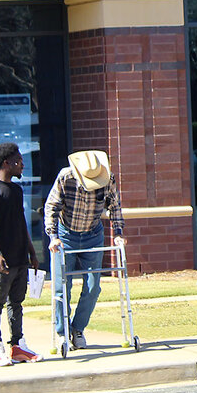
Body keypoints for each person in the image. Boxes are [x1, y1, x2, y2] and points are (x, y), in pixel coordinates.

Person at [44, 149, 126, 349]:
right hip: (65, 235)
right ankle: (62, 333)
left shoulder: (108, 178)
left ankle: (77, 329)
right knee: (62, 287)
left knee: (93, 287)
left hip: (92, 235)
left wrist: (118, 233)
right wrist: (53, 237)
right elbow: (51, 207)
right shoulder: (65, 177)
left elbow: (115, 206)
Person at [0, 142, 41, 366]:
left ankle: (17, 346)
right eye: (19, 161)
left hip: (19, 256)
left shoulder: (16, 190)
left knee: (17, 302)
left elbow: (21, 223)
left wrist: (32, 251)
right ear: (7, 163)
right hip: (2, 259)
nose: (23, 164)